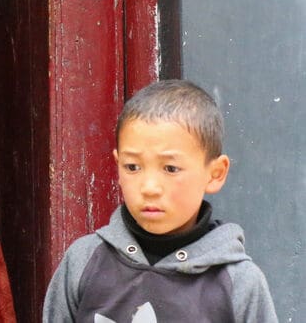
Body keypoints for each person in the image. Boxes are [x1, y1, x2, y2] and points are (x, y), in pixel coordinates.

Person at [43, 79, 277, 322]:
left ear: (215, 174)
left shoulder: (239, 283)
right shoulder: (84, 261)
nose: (149, 187)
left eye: (171, 168)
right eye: (133, 167)